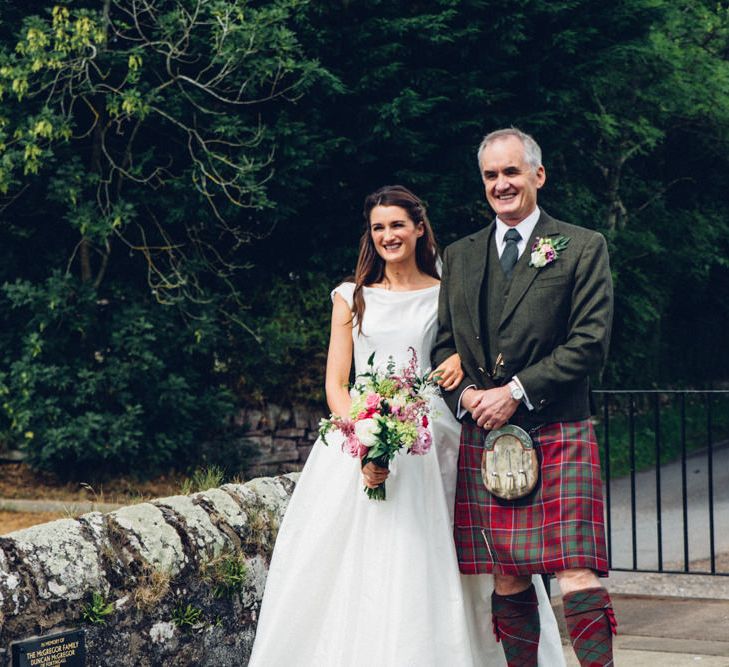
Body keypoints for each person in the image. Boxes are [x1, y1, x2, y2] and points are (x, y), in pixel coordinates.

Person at [248, 185, 565, 666]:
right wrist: (364, 438)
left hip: (436, 438)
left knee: (450, 554)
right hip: (363, 436)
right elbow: (337, 383)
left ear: (420, 228)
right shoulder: (349, 297)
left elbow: (475, 349)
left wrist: (459, 356)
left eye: (397, 225)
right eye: (378, 227)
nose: (388, 235)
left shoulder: (448, 291)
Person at [432, 128, 616, 667]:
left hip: (557, 425)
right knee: (506, 571)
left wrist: (515, 391)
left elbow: (590, 343)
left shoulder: (582, 246)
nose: (501, 184)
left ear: (538, 175)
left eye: (511, 172)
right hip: (486, 434)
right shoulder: (460, 256)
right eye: (491, 175)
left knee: (575, 569)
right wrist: (469, 397)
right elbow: (446, 345)